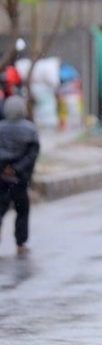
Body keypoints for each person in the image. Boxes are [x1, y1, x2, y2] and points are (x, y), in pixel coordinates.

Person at [0, 95, 40, 255]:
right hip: (19, 179)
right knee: (22, 211)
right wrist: (17, 169)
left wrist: (4, 168)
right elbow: (32, 155)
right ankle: (20, 243)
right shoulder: (31, 130)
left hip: (1, 178)